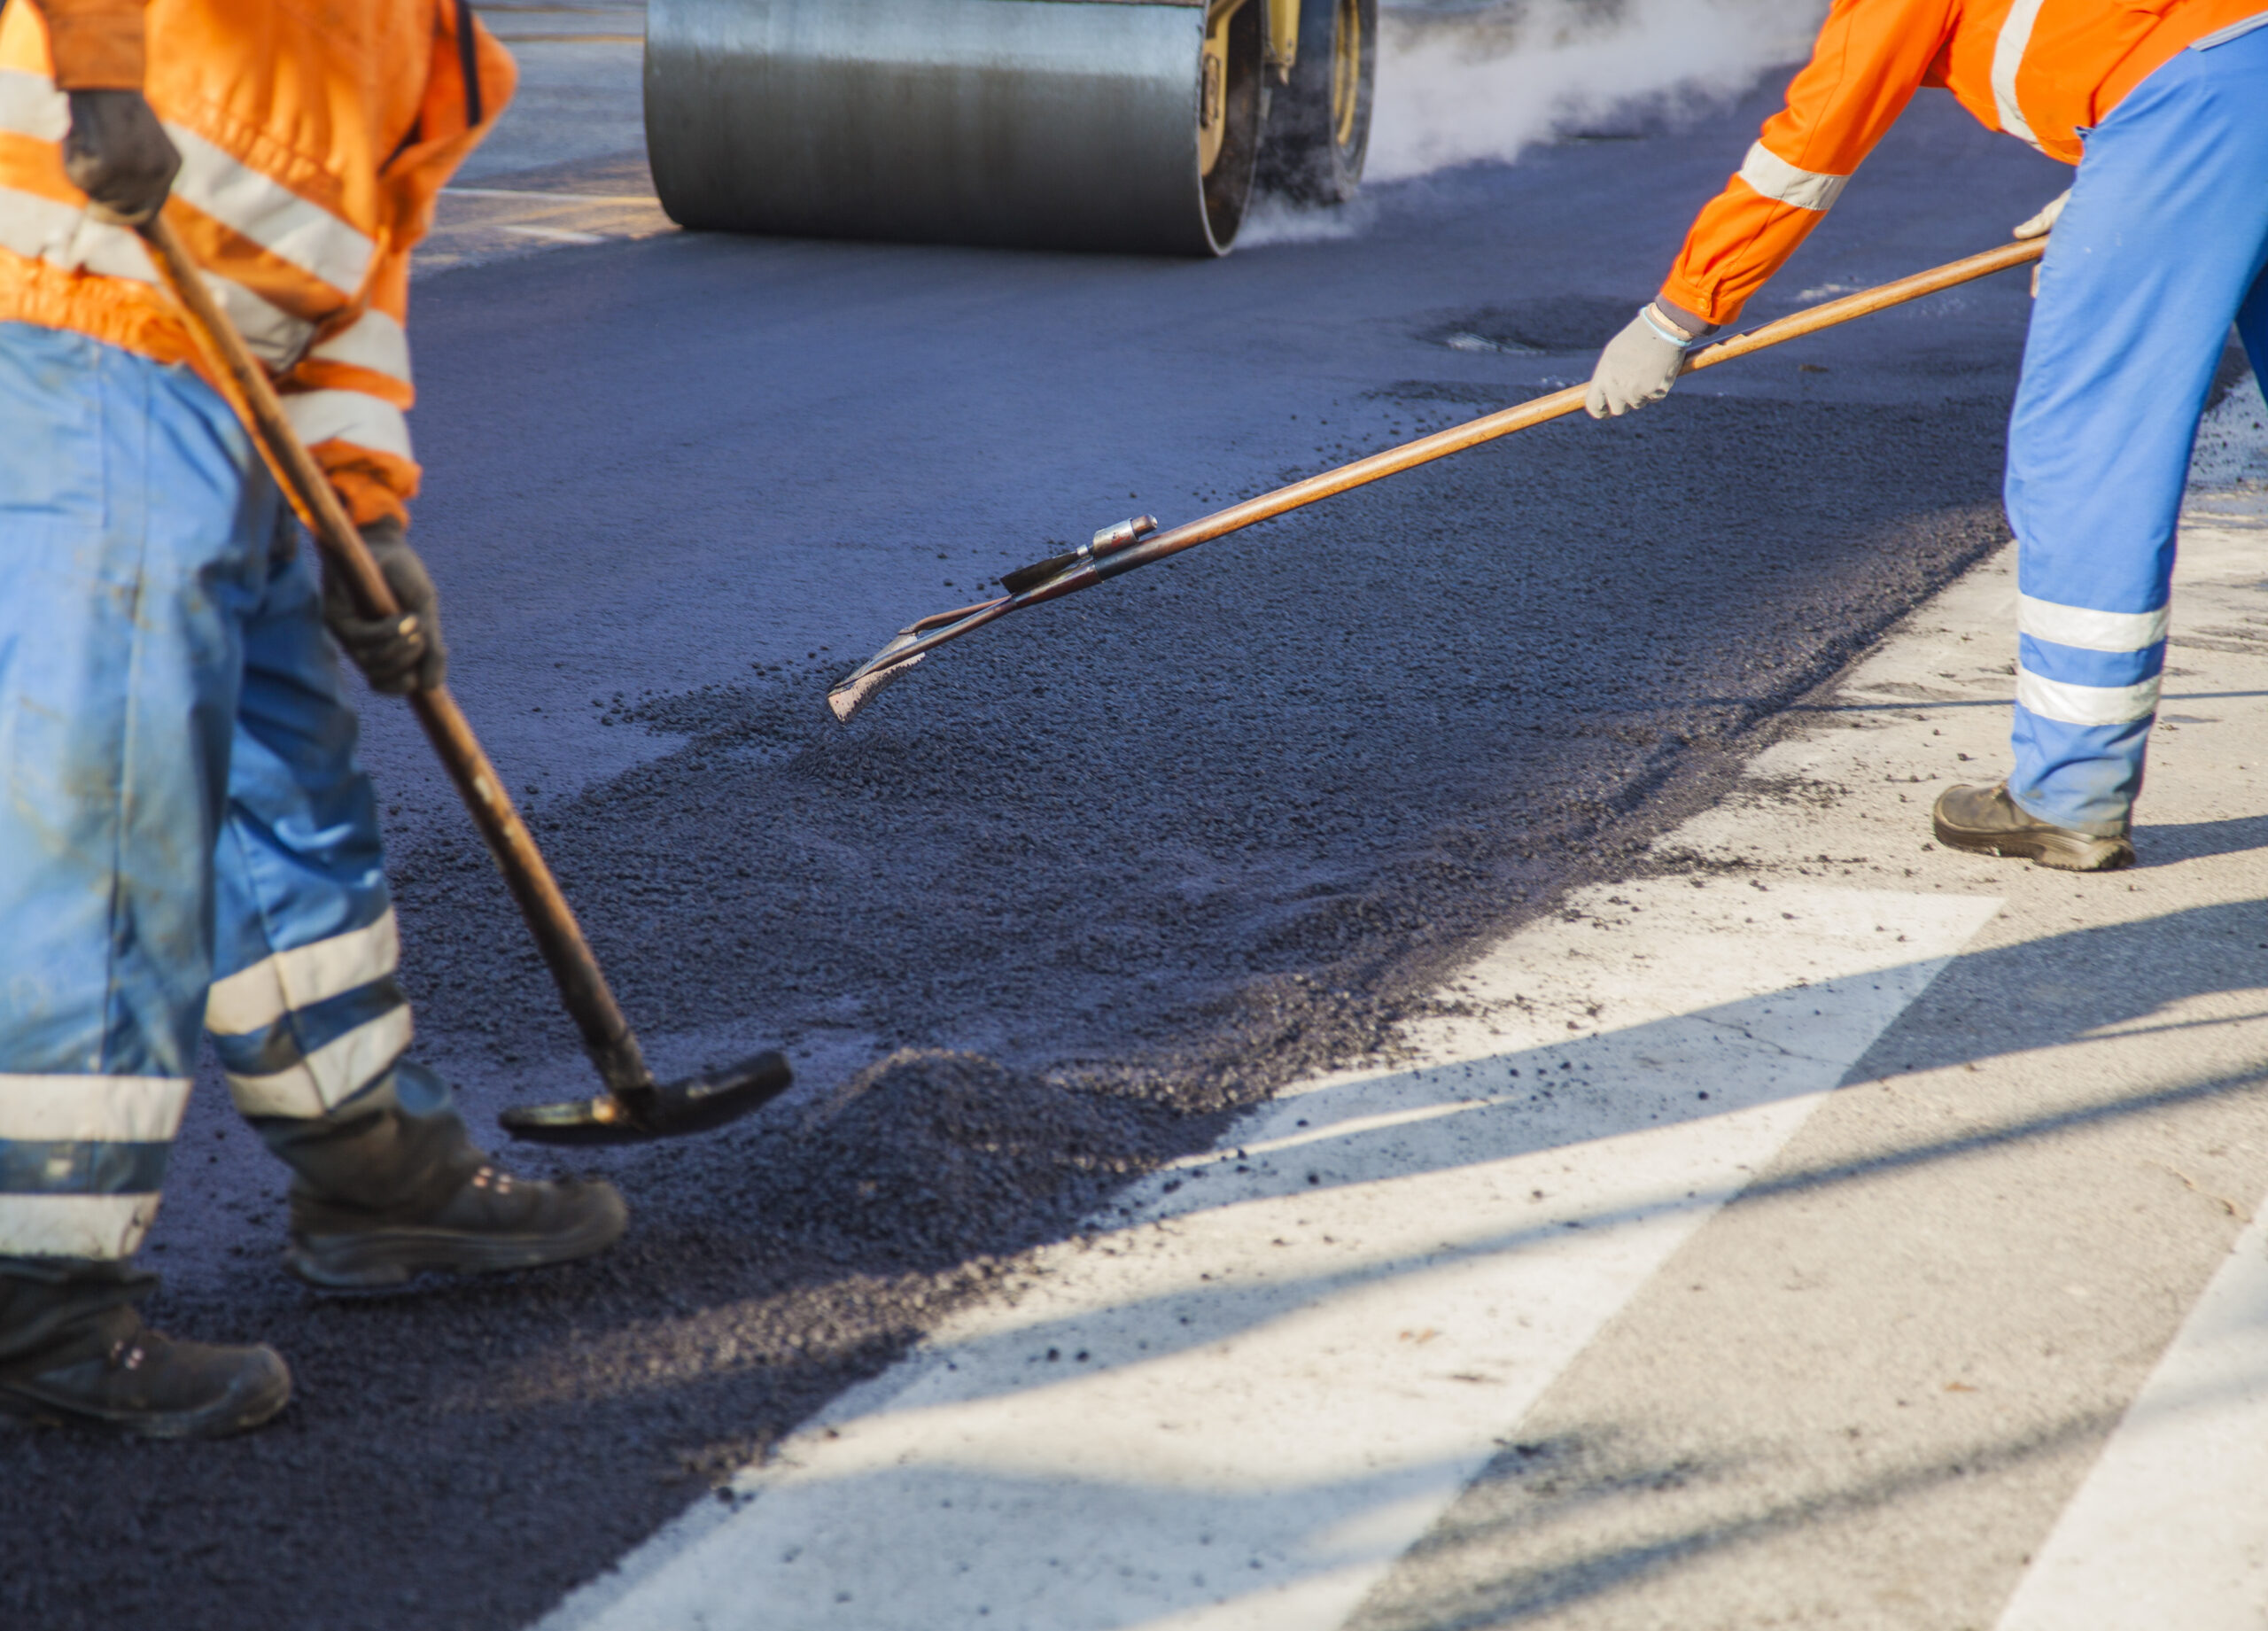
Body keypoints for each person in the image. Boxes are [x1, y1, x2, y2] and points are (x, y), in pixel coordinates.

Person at [0, 0, 627, 1440]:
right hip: (79, 323)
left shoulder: (430, 50)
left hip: (227, 395)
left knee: (287, 785)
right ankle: (38, 1292)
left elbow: (357, 289)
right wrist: (97, 75)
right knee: (113, 808)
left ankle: (373, 1174)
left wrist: (365, 514)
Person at [1588, 0, 2268, 872]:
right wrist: (2124, 166)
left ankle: (2069, 793)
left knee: (2090, 447)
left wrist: (1679, 310)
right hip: (2212, 94)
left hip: (2195, 108)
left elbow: (1811, 145)